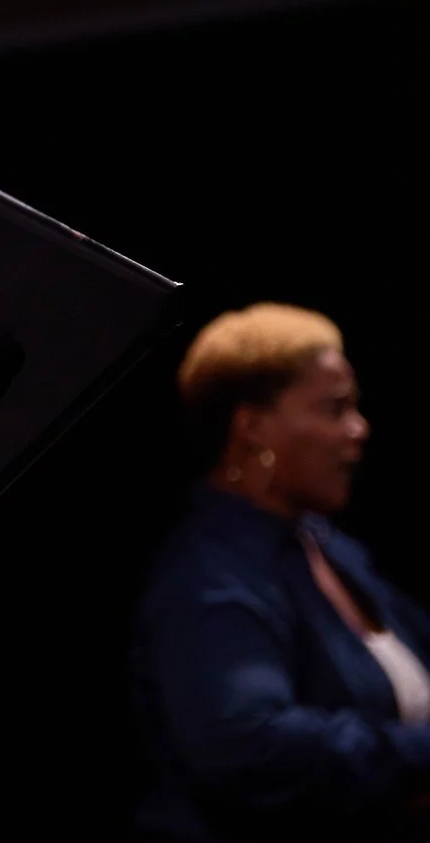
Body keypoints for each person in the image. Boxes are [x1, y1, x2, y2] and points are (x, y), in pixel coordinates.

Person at [134, 303, 430, 839]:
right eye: (335, 409)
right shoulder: (209, 572)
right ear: (251, 428)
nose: (359, 429)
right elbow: (249, 746)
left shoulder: (325, 544)